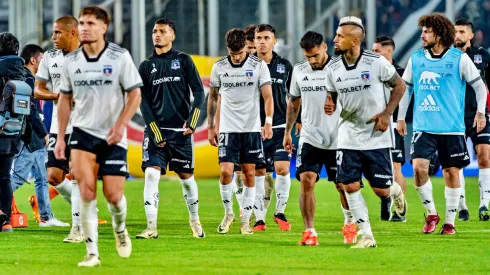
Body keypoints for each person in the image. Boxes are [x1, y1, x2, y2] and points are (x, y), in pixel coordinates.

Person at [55, 6, 142, 266]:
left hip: (113, 136)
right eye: (81, 22)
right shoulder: (71, 61)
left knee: (114, 197)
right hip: (82, 133)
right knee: (86, 191)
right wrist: (61, 138)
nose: (84, 27)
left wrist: (120, 126)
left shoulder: (119, 57)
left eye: (90, 23)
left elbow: (135, 95)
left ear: (104, 27)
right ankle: (92, 253)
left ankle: (119, 228)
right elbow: (64, 100)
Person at [397, 13, 487, 235]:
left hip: (452, 128)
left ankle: (449, 222)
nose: (422, 35)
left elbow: (479, 87)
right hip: (423, 127)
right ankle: (431, 214)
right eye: (422, 31)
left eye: (427, 31)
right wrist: (400, 117)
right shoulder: (416, 58)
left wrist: (481, 112)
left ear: (438, 33)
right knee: (418, 169)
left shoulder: (459, 59)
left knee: (451, 173)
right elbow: (405, 89)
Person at [324, 16, 406, 248]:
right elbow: (332, 97)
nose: (335, 39)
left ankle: (395, 191)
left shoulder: (376, 62)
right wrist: (329, 104)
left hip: (375, 135)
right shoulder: (333, 67)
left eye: (340, 36)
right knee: (349, 185)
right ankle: (367, 235)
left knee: (380, 190)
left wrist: (386, 114)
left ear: (355, 39)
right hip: (348, 134)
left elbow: (399, 86)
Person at [137, 18, 205, 239]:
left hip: (180, 133)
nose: (157, 35)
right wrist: (154, 130)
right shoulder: (146, 66)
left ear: (172, 35)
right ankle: (151, 227)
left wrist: (193, 122)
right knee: (150, 174)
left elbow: (199, 92)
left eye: (162, 31)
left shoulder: (183, 60)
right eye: (155, 31)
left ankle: (194, 220)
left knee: (187, 178)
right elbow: (142, 101)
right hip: (156, 132)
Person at [34, 16, 100, 243]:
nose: (53, 38)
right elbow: (37, 89)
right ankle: (86, 208)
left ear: (72, 33)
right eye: (53, 33)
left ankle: (77, 229)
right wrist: (56, 96)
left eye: (57, 33)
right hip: (58, 128)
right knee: (53, 176)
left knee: (77, 174)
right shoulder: (49, 58)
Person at [283, 31, 351, 246]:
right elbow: (294, 102)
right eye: (307, 57)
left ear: (324, 48)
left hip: (339, 138)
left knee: (343, 185)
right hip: (310, 136)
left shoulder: (342, 68)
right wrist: (288, 131)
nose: (311, 61)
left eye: (314, 55)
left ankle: (350, 222)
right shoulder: (299, 70)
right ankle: (309, 231)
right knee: (306, 180)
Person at [207, 28, 273, 235]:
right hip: (228, 129)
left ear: (246, 45)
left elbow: (268, 96)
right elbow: (214, 98)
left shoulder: (259, 66)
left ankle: (245, 220)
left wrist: (268, 121)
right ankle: (229, 213)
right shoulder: (219, 67)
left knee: (249, 174)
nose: (236, 57)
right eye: (232, 53)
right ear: (227, 48)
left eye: (240, 52)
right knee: (226, 172)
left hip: (251, 129)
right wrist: (211, 126)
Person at [10, 44, 69, 227]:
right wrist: (44, 132)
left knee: (42, 178)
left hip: (33, 134)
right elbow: (30, 109)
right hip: (30, 134)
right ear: (34, 60)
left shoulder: (28, 78)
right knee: (18, 176)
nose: (45, 62)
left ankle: (46, 217)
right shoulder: (27, 79)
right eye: (42, 59)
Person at [251, 24, 293, 232]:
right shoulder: (247, 66)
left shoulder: (284, 66)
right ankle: (259, 218)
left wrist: (298, 121)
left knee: (282, 169)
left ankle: (280, 211)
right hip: (254, 129)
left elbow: (295, 96)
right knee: (259, 172)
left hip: (280, 127)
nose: (262, 41)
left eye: (267, 37)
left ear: (274, 41)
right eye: (258, 37)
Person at [454, 18, 490, 222]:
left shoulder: (482, 55)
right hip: (454, 117)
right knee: (457, 162)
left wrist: (484, 111)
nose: (456, 35)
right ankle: (462, 206)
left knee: (484, 156)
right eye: (455, 32)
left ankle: (484, 204)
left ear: (470, 35)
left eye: (461, 31)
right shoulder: (447, 58)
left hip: (480, 115)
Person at [372, 35, 408, 222]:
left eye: (377, 50)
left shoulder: (400, 71)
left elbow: (405, 98)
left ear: (389, 51)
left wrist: (400, 120)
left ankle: (399, 210)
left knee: (396, 168)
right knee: (377, 168)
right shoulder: (371, 71)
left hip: (393, 126)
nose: (373, 53)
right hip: (373, 126)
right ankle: (386, 198)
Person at [0, 32, 30, 232]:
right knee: (4, 177)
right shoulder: (24, 73)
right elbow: (30, 108)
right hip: (14, 133)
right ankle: (7, 221)